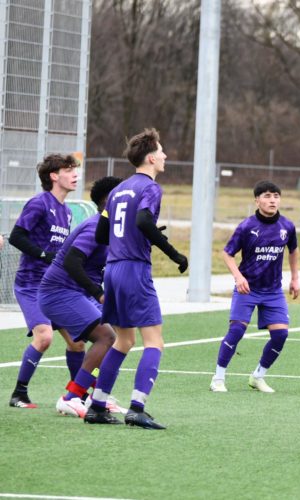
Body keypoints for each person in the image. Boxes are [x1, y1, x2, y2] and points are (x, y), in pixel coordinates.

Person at [85, 128, 188, 429]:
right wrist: (173, 253)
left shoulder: (118, 190)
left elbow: (102, 233)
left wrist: (128, 239)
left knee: (124, 340)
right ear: (152, 157)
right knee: (154, 341)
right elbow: (143, 220)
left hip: (114, 269)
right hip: (133, 269)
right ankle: (137, 407)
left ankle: (98, 405)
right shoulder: (150, 187)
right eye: (162, 151)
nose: (166, 156)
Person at [38, 176, 124, 418]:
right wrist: (99, 294)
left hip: (74, 292)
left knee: (113, 339)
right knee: (106, 336)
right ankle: (72, 397)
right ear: (109, 201)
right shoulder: (96, 226)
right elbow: (72, 261)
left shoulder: (110, 229)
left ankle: (98, 397)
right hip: (58, 292)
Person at [210, 181, 300, 393]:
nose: (272, 200)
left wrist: (295, 278)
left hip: (273, 291)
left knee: (280, 335)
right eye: (267, 196)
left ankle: (258, 376)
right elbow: (227, 253)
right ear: (257, 200)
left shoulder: (287, 227)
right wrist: (238, 277)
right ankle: (218, 378)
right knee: (237, 331)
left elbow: (293, 250)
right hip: (247, 289)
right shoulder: (247, 227)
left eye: (276, 196)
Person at [8, 154, 81, 409]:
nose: (75, 175)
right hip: (30, 283)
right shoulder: (39, 203)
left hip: (54, 286)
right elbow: (16, 237)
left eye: (75, 170)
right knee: (44, 337)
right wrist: (43, 255)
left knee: (77, 340)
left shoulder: (68, 212)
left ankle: (77, 395)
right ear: (53, 176)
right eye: (69, 170)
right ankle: (19, 394)